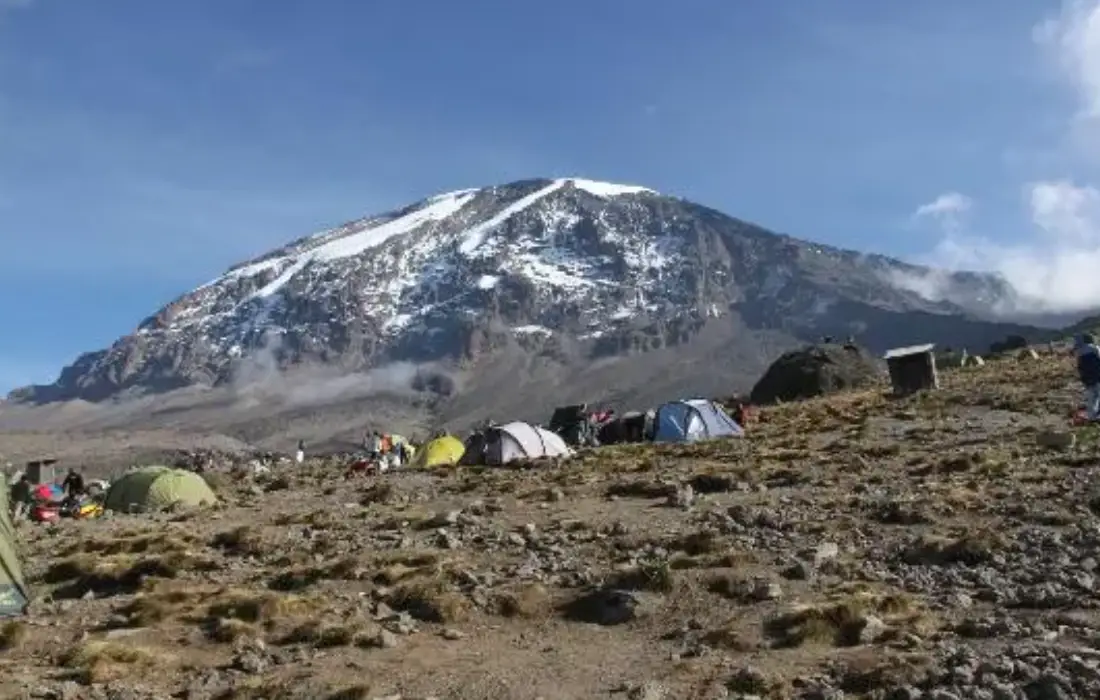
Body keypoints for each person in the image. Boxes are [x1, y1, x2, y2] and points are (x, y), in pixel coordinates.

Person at [1076, 333, 1100, 422]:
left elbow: (1079, 366)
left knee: (1091, 395)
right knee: (1098, 394)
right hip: (1097, 375)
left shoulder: (1079, 351)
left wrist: (1082, 376)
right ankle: (1097, 414)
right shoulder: (1094, 348)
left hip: (1086, 377)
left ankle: (1091, 415)